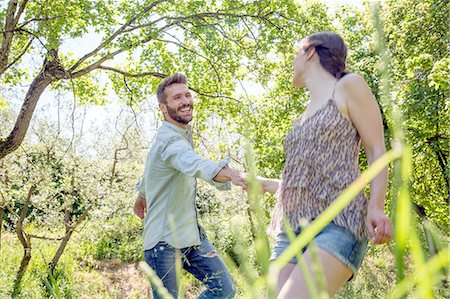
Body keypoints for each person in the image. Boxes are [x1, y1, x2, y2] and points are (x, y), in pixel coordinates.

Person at [257, 32, 393, 298]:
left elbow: (376, 149)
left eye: (297, 52)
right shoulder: (304, 114)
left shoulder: (348, 86)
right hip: (291, 229)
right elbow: (310, 180)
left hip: (337, 221)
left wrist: (376, 205)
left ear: (310, 52)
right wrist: (265, 184)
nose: (292, 60)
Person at [133, 73, 246, 299]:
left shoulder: (178, 134)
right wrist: (231, 174)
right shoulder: (171, 140)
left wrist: (141, 195)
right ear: (163, 108)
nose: (185, 101)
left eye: (187, 95)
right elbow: (193, 163)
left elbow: (152, 170)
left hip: (191, 236)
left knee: (224, 289)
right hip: (163, 242)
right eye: (177, 98)